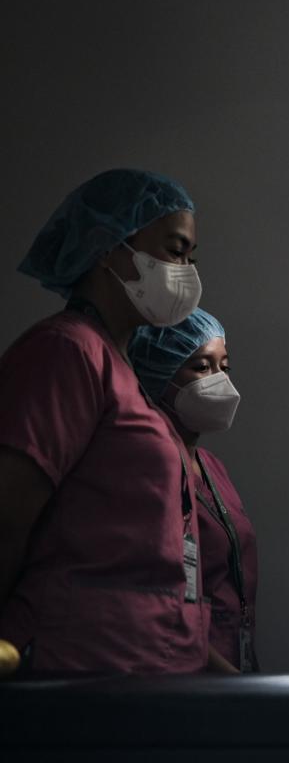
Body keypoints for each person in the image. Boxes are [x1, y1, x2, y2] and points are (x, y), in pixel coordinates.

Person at [0, 168, 208, 673]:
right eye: (174, 250)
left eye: (190, 256)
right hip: (78, 661)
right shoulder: (66, 351)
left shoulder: (121, 369)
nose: (186, 270)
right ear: (108, 245)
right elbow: (8, 512)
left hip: (140, 665)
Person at [131, 308, 256, 673]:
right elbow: (159, 595)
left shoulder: (210, 465)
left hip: (231, 656)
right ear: (159, 374)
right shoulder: (152, 464)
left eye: (224, 367)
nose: (219, 381)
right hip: (181, 664)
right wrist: (228, 678)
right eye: (202, 367)